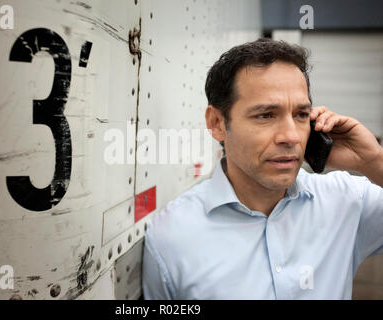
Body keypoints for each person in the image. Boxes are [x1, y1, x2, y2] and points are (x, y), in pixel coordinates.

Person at [142, 38, 383, 299]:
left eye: (301, 115)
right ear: (217, 123)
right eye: (266, 115)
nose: (291, 137)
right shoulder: (171, 237)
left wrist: (372, 161)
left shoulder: (347, 200)